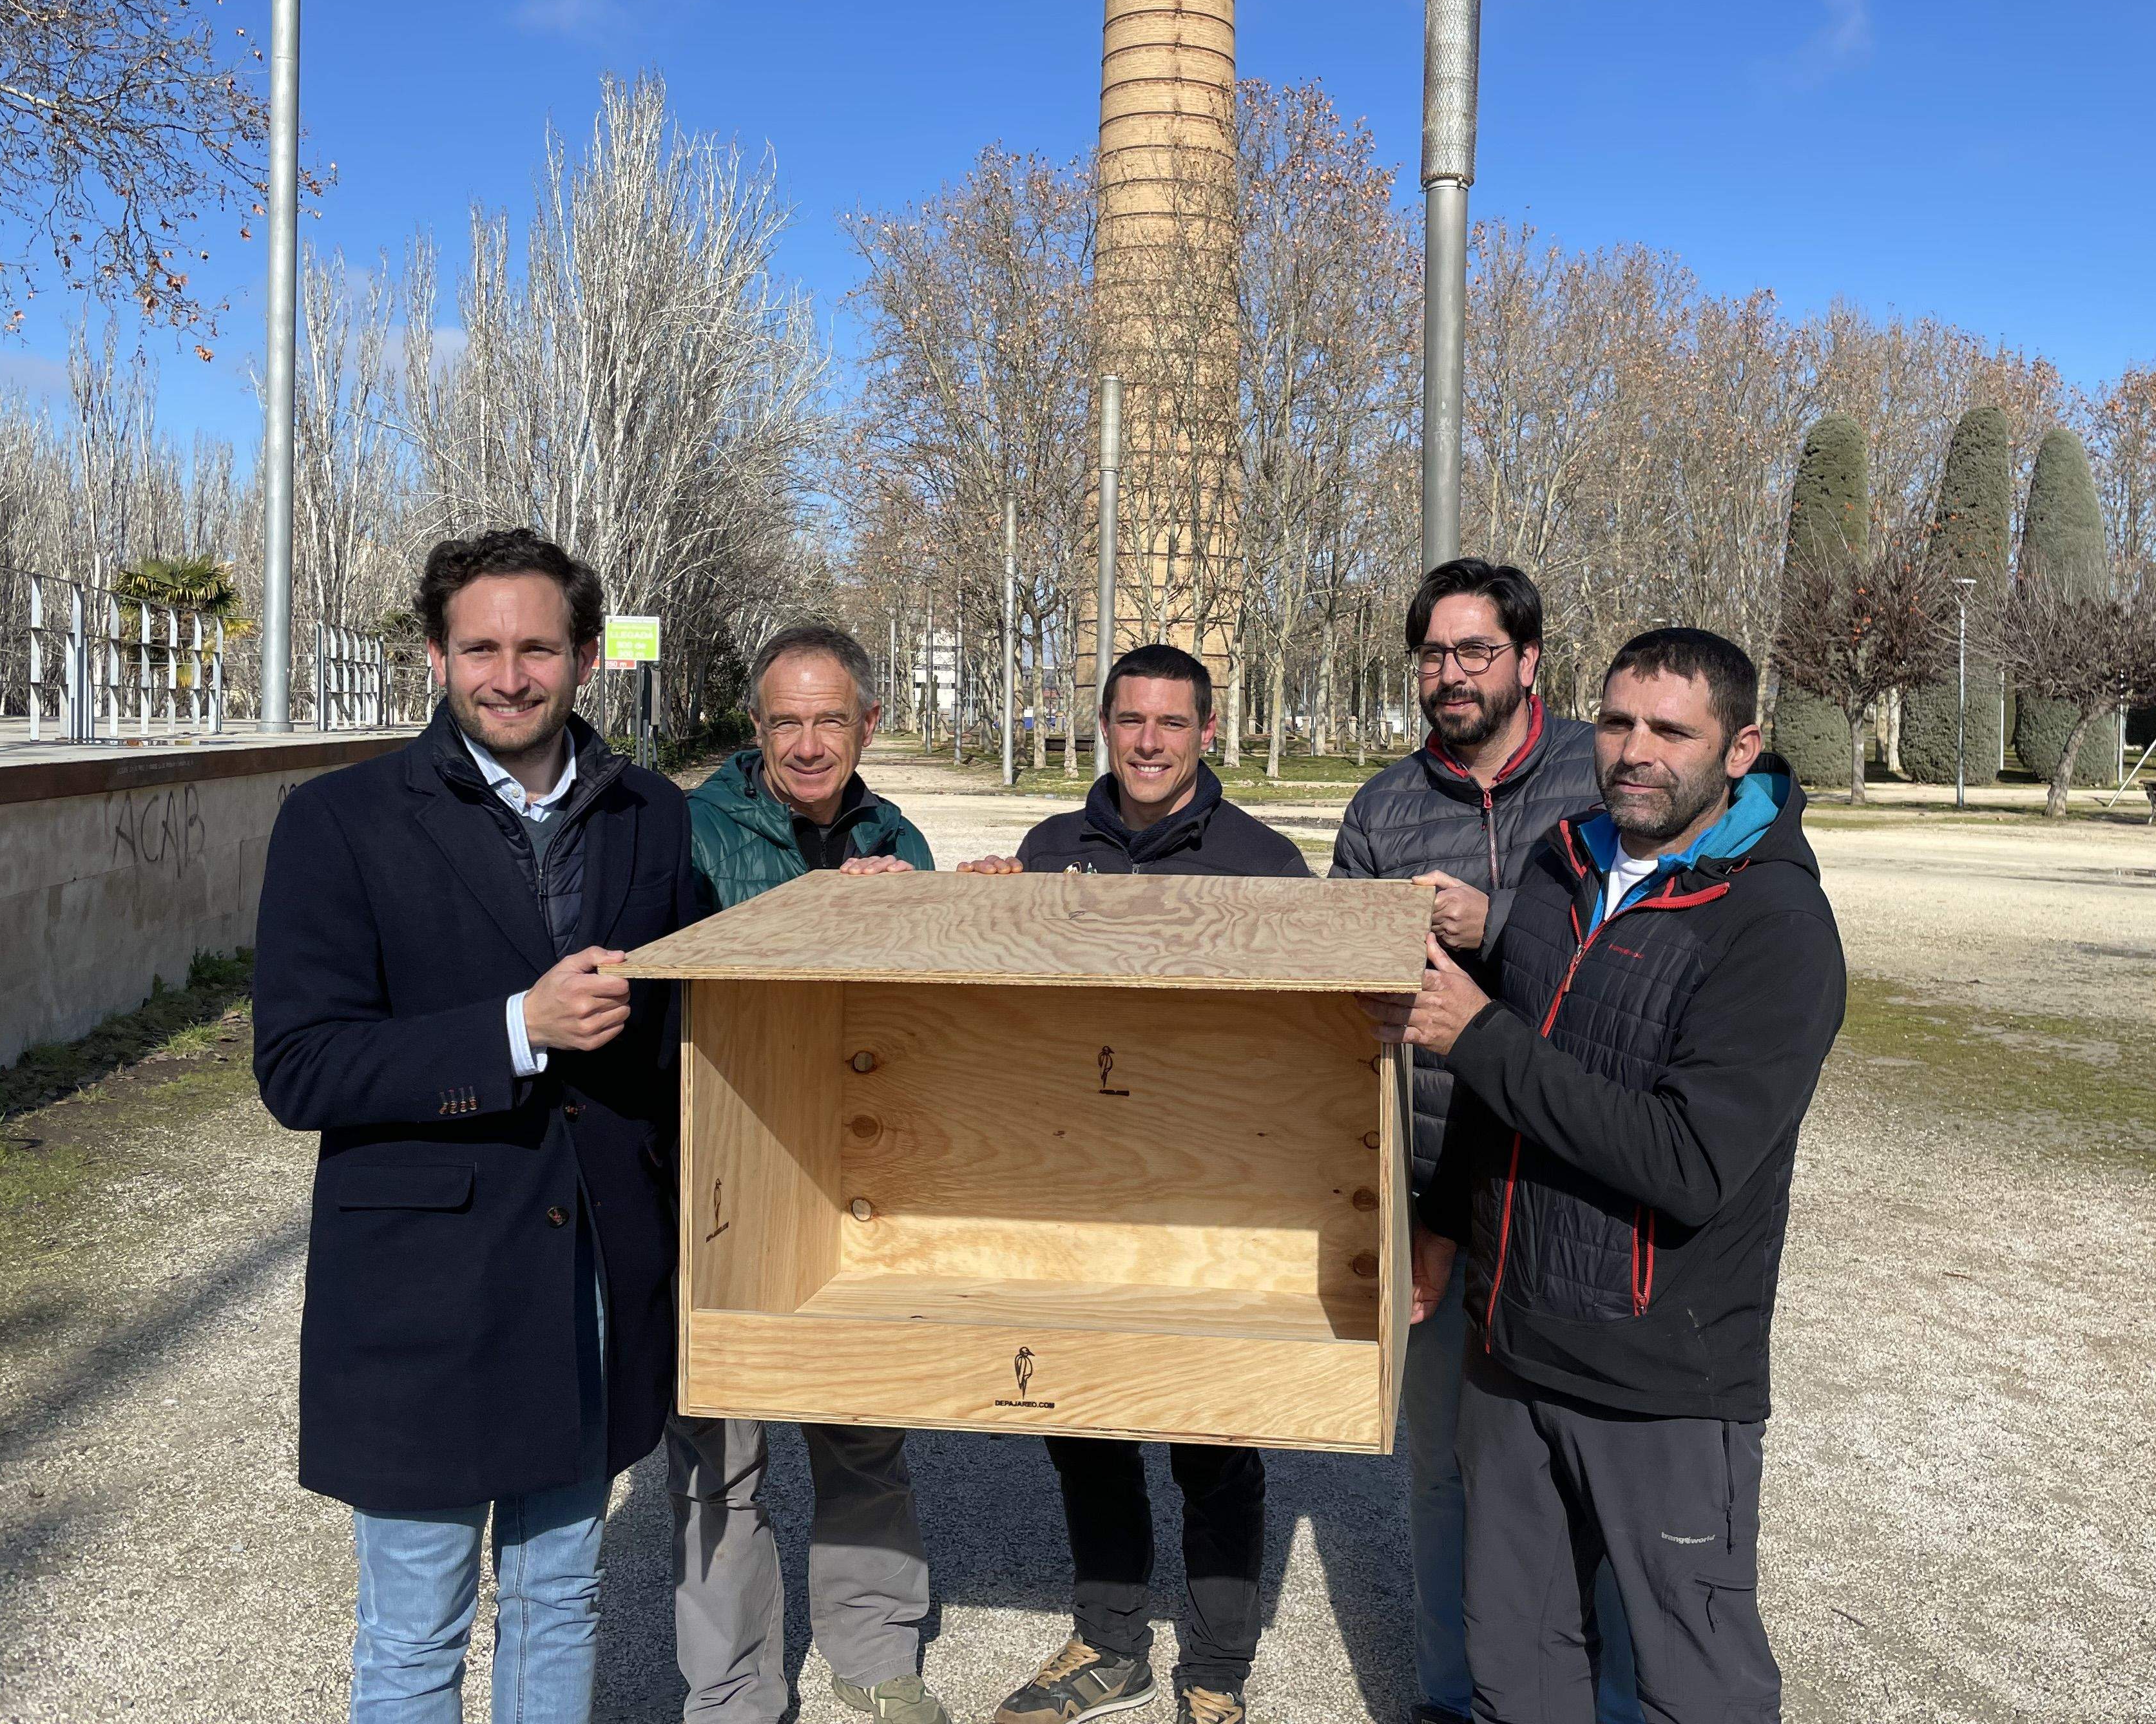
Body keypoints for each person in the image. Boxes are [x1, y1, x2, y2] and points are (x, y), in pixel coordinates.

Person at [1361, 627, 1845, 1724]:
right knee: (1519, 1663)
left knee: (1690, 1679)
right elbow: (1498, 1090)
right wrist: (1443, 1225)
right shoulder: (1564, 860)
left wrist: (1479, 1036)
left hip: (1658, 1377)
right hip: (1512, 1345)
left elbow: (1690, 1161)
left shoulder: (1776, 925)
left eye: (1673, 731)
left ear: (1741, 749)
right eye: (1620, 722)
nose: (1637, 751)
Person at [255, 528, 698, 1724]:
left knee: (562, 1597)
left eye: (538, 649)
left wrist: (856, 896)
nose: (510, 677)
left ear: (587, 658)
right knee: (415, 1627)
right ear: (437, 657)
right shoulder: (339, 820)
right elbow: (299, 1067)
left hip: (592, 1269)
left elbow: (695, 1015)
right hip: (423, 1286)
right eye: (481, 649)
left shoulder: (653, 815)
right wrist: (515, 1029)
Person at [956, 644, 1308, 1724]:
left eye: (1172, 722)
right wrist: (992, 911)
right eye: (1131, 720)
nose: (1149, 743)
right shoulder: (1050, 848)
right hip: (1082, 1188)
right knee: (1086, 1422)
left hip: (1214, 1195)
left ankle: (1215, 1673)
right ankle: (1110, 1647)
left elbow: (1308, 1041)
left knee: (1215, 1436)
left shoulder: (1265, 864)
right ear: (1104, 724)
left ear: (1208, 731)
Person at [1327, 559, 1635, 1724]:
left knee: (1593, 1478)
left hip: (1575, 1191)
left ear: (1529, 660)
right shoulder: (1382, 808)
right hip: (1429, 1193)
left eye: (1475, 652)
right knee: (1446, 1471)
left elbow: (1640, 961)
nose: (1451, 675)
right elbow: (1340, 1014)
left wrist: (1497, 924)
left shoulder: (1603, 779)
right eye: (1433, 655)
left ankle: (1609, 1700)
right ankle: (1451, 1697)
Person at [668, 624, 950, 1724]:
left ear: (869, 724)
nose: (807, 743)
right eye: (785, 721)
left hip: (851, 1176)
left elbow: (929, 1017)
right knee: (719, 1450)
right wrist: (816, 912)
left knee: (863, 1423)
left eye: (830, 719)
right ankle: (733, 1691)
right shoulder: (691, 832)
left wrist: (916, 911)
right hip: (725, 1171)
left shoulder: (898, 836)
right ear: (756, 727)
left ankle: (876, 1655)